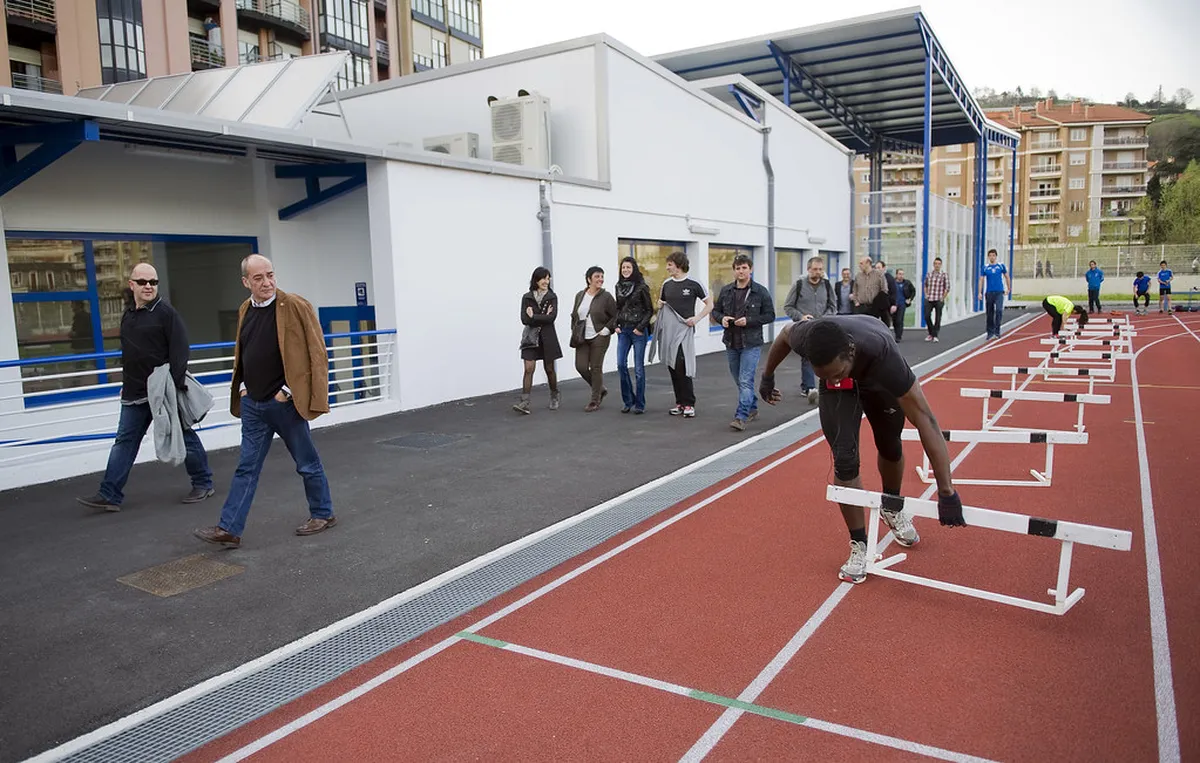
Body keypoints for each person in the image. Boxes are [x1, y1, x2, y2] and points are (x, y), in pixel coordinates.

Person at [758, 315, 966, 583]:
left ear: (851, 353)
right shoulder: (808, 338)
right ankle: (859, 543)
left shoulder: (884, 355)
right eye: (823, 375)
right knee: (844, 460)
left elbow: (926, 420)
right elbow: (786, 334)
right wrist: (767, 376)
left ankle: (892, 505)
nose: (830, 379)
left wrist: (946, 491)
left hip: (877, 379)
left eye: (835, 373)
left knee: (890, 443)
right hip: (842, 391)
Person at [194, 255, 335, 548]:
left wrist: (289, 391)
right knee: (246, 468)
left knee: (306, 463)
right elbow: (245, 351)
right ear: (246, 282)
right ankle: (229, 529)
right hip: (253, 405)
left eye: (270, 275)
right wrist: (244, 387)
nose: (267, 282)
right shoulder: (246, 308)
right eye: (258, 278)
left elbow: (317, 352)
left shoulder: (295, 306)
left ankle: (323, 513)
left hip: (284, 403)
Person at [77, 264, 214, 511]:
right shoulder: (128, 315)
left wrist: (173, 385)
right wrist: (125, 383)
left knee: (184, 436)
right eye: (142, 282)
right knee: (124, 442)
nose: (148, 286)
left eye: (153, 281)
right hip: (134, 392)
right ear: (132, 285)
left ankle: (203, 483)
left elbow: (180, 351)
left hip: (162, 391)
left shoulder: (166, 313)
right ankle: (109, 494)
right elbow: (129, 354)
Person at [712, 253, 775, 431]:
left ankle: (741, 416)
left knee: (745, 380)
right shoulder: (726, 290)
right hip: (731, 342)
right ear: (734, 271)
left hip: (751, 343)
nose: (741, 271)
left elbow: (770, 315)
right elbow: (716, 311)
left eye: (744, 268)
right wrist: (721, 318)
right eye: (738, 268)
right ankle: (752, 406)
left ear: (751, 269)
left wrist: (749, 321)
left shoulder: (760, 291)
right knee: (739, 380)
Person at [654, 251, 711, 418]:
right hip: (669, 331)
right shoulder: (667, 284)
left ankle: (689, 403)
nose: (667, 267)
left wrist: (697, 318)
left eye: (670, 264)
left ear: (678, 265)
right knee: (672, 366)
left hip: (684, 330)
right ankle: (679, 402)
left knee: (682, 364)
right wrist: (659, 304)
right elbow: (662, 303)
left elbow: (709, 304)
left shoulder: (694, 283)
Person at [783, 256, 837, 403]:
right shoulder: (799, 284)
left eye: (820, 269)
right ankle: (809, 388)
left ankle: (826, 385)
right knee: (807, 356)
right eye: (814, 269)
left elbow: (833, 306)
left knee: (826, 356)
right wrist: (801, 317)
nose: (817, 272)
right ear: (808, 270)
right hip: (805, 327)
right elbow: (788, 307)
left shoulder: (827, 285)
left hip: (823, 326)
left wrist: (826, 317)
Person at [513, 267, 562, 414]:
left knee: (549, 369)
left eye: (548, 279)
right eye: (543, 278)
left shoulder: (552, 297)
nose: (546, 282)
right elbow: (524, 319)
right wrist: (541, 317)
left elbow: (551, 318)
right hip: (530, 337)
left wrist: (533, 316)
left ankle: (555, 394)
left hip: (547, 337)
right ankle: (524, 402)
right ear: (536, 279)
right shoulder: (527, 297)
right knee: (528, 369)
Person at [570, 266, 617, 412]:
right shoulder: (580, 295)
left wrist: (607, 329)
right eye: (597, 276)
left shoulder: (606, 296)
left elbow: (616, 315)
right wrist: (574, 330)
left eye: (602, 276)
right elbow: (574, 314)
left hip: (599, 336)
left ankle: (594, 400)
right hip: (582, 336)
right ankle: (600, 388)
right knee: (581, 366)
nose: (600, 279)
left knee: (596, 368)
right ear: (589, 279)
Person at [614, 257, 653, 414]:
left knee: (638, 368)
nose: (625, 270)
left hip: (638, 331)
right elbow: (617, 308)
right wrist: (615, 324)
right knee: (621, 365)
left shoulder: (642, 287)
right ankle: (628, 400)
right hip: (623, 330)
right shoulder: (618, 287)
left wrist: (640, 327)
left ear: (634, 269)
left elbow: (650, 310)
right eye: (623, 267)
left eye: (628, 267)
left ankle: (640, 403)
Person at [978, 248, 1009, 340]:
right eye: (990, 255)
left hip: (999, 292)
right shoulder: (985, 267)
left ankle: (997, 331)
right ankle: (990, 332)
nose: (992, 257)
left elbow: (1007, 277)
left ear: (996, 256)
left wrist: (1008, 288)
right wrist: (979, 292)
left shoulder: (1000, 266)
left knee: (999, 310)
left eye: (993, 255)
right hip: (989, 292)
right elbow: (981, 279)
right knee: (989, 313)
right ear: (988, 257)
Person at [922, 256, 949, 343]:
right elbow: (925, 285)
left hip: (938, 298)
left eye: (939, 264)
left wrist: (942, 297)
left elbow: (947, 287)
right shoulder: (929, 274)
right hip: (929, 298)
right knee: (926, 315)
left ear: (941, 265)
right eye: (935, 264)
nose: (937, 265)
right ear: (933, 265)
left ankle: (935, 335)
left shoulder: (944, 275)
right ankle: (931, 333)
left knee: (938, 318)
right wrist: (926, 294)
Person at [852, 257, 886, 321]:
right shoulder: (858, 276)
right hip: (861, 307)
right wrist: (856, 302)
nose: (859, 265)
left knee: (873, 327)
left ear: (868, 263)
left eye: (861, 263)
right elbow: (855, 290)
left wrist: (879, 304)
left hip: (874, 307)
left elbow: (884, 290)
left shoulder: (879, 275)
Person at [892, 268, 916, 341]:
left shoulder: (907, 283)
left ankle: (898, 336)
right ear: (896, 275)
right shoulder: (893, 283)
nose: (901, 276)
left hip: (902, 304)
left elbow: (913, 291)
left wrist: (910, 299)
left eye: (902, 274)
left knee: (900, 320)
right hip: (894, 304)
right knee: (894, 320)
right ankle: (896, 333)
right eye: (899, 274)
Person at [875, 260, 898, 328]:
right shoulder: (874, 278)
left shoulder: (889, 278)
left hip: (886, 305)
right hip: (876, 305)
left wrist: (893, 304)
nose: (877, 269)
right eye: (876, 268)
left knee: (885, 323)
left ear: (884, 268)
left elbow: (893, 291)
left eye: (879, 267)